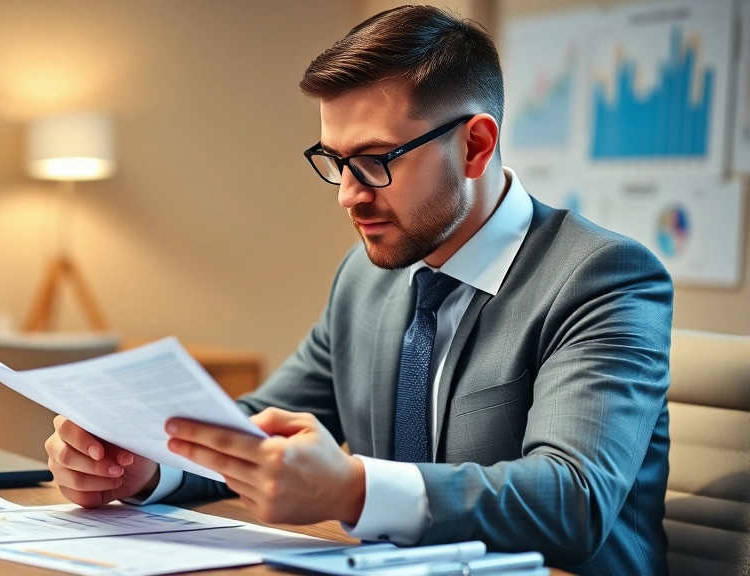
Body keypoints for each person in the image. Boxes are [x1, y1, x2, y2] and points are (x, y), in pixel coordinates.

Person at [43, 5, 672, 575]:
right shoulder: (366, 277)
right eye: (336, 161)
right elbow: (255, 434)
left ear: (476, 145)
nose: (349, 195)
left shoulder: (602, 277)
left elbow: (573, 501)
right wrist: (146, 466)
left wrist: (351, 488)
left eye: (376, 160)